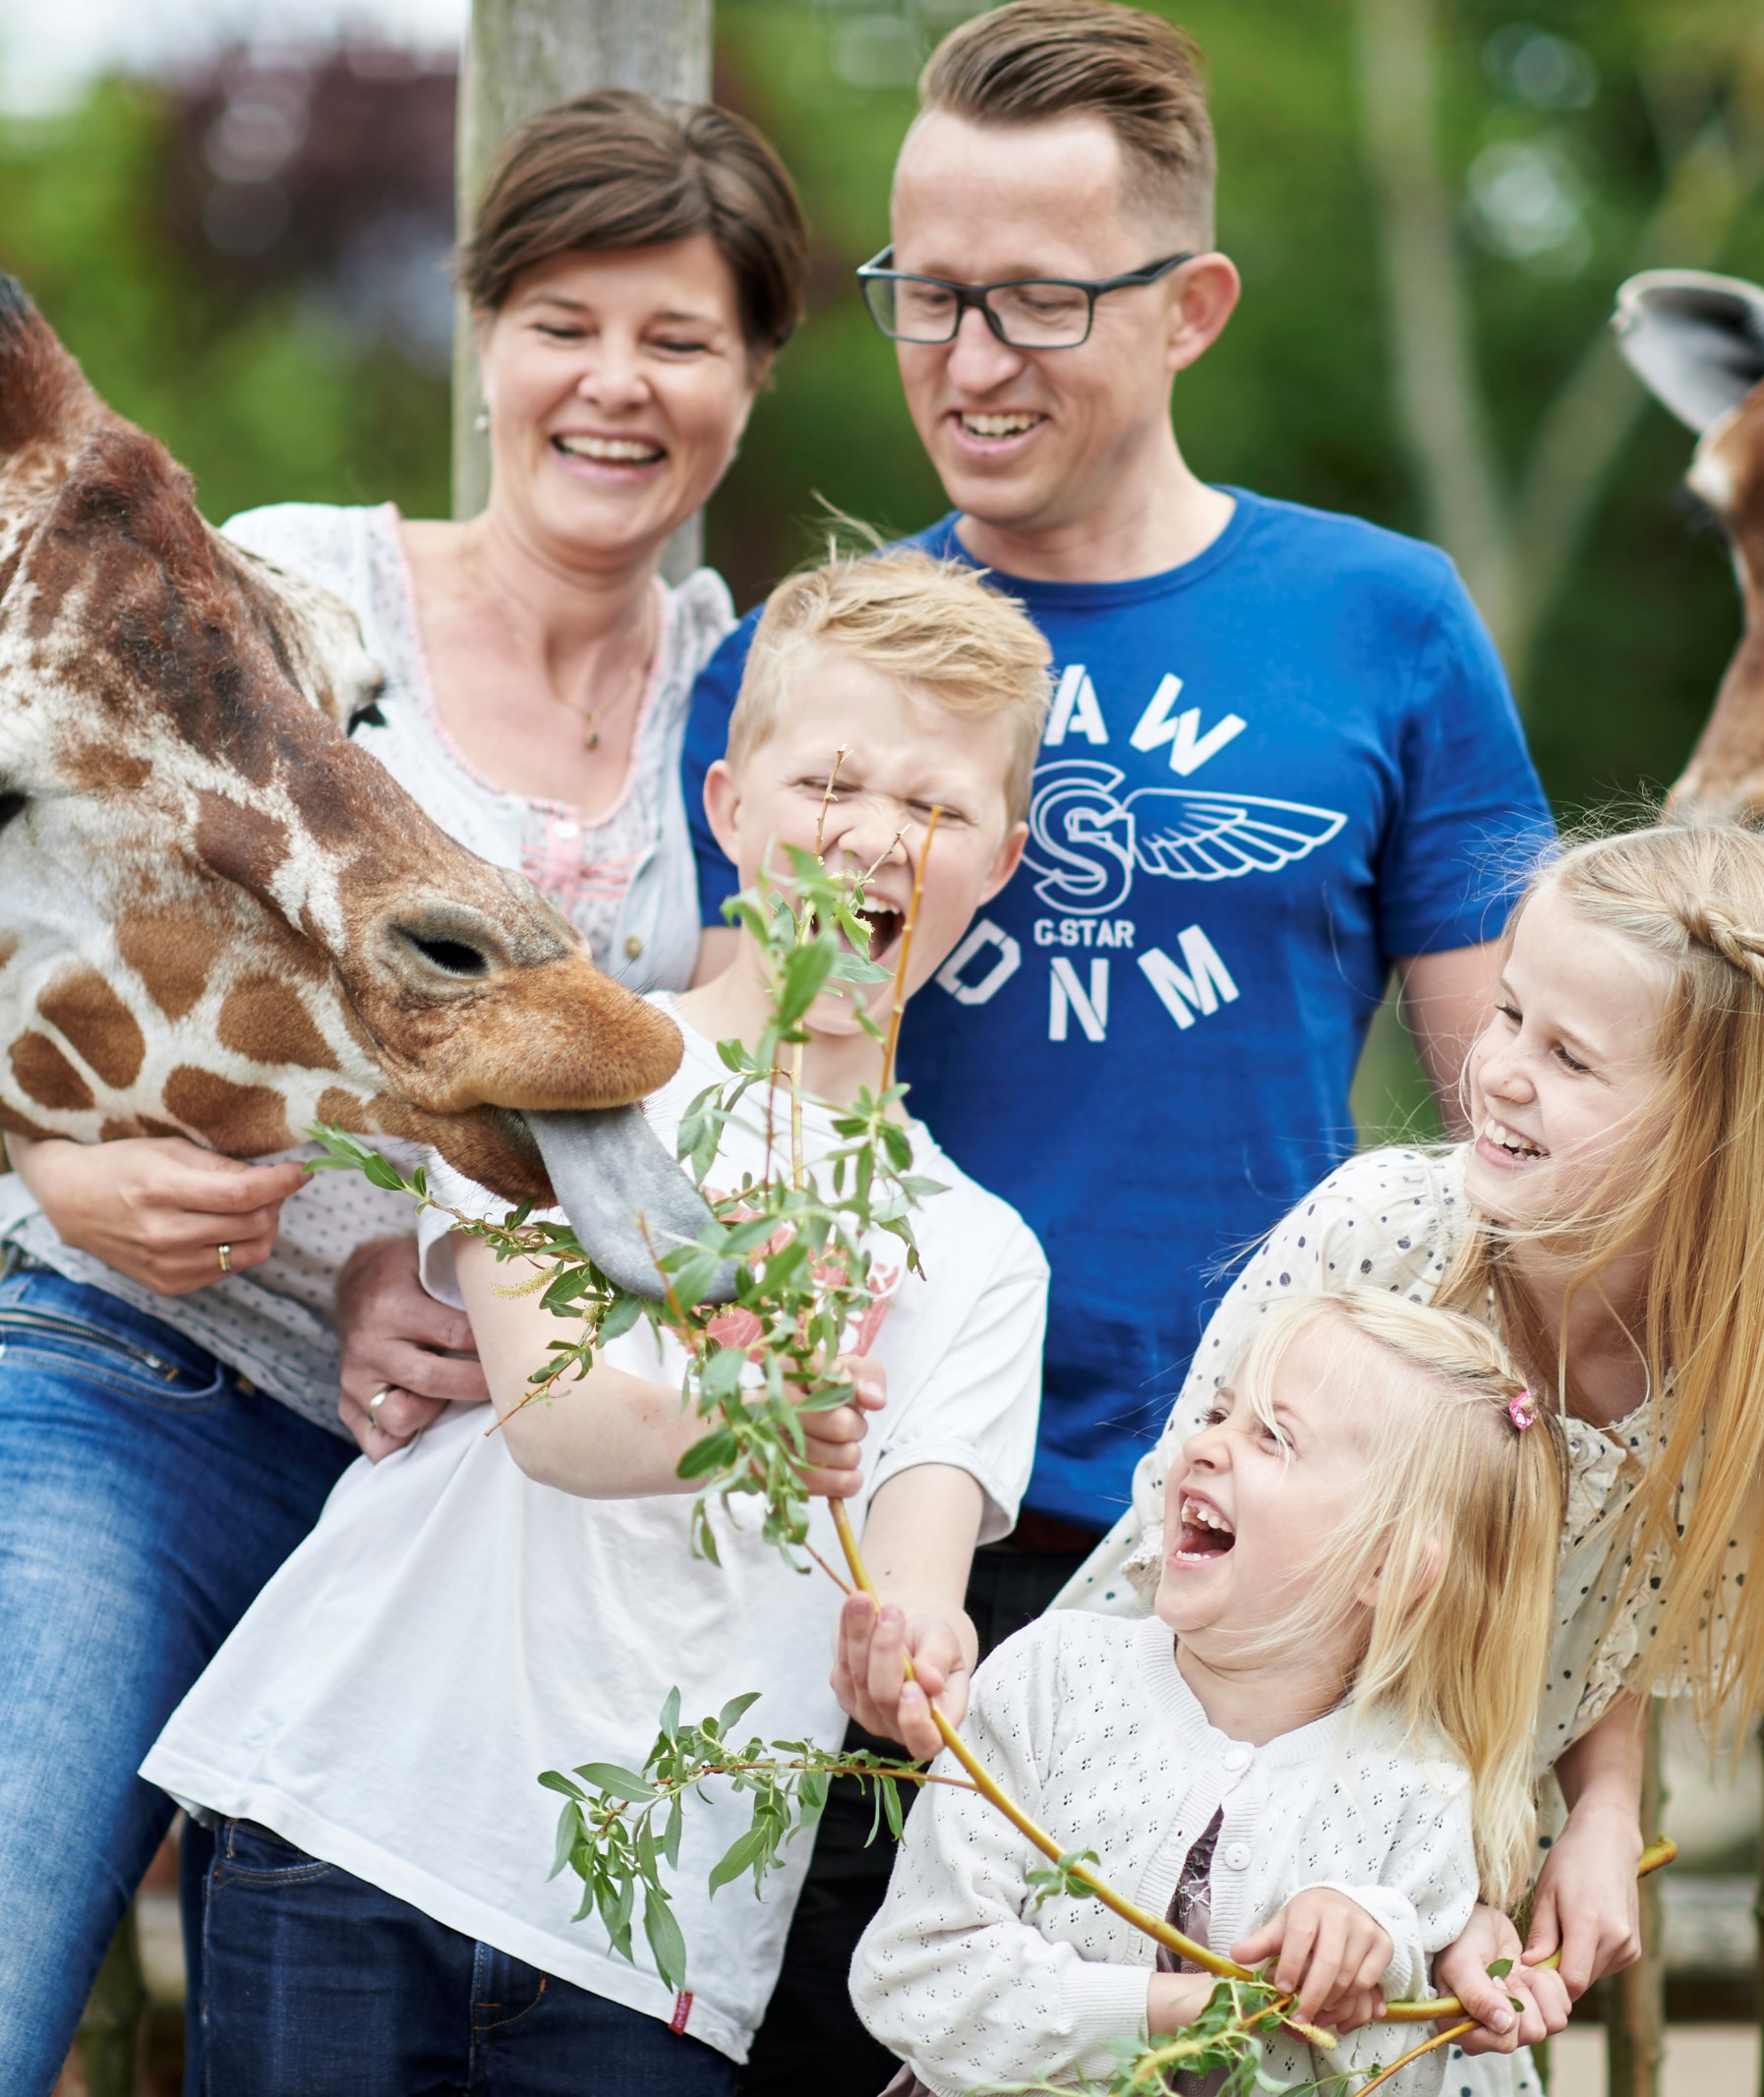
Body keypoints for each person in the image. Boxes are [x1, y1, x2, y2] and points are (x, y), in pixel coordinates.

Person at [0, 92, 808, 2096]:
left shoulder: (760, 703)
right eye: (561, 320)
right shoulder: (277, 589)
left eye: (680, 337)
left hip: (490, 1524)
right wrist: (48, 1181)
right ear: (481, 332)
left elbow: (779, 1068)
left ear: (755, 377)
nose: (614, 383)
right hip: (161, 1399)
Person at [686, 8, 1555, 2075]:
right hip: (874, 1548)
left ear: (1191, 307)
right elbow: (714, 1101)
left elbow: (1526, 1174)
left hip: (1254, 1563)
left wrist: (1559, 1755)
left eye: (1037, 300)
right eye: (920, 293)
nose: (965, 358)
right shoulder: (807, 670)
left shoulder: (1383, 621)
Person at [141, 549, 1057, 2092]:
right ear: (728, 808)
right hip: (356, 1809)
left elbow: (915, 1564)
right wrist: (760, 1417)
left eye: (937, 805)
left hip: (652, 1940)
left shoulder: (978, 1256)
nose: (874, 833)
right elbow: (558, 1421)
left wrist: (908, 1657)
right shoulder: (568, 1067)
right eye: (829, 777)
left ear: (1003, 858)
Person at [1052, 817, 1764, 2086]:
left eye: (1570, 1055)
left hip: (1412, 1958)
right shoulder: (1379, 1243)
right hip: (1153, 1901)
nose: (1500, 1070)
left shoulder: (1746, 1396)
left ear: (1730, 1136)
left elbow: (1621, 1620)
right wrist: (1408, 1890)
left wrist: (1604, 1808)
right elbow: (1176, 1579)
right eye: (1511, 1014)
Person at [853, 1291, 1567, 2096]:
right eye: (1221, 1411)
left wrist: (1374, 1943)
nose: (1207, 1444)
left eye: (1274, 1435)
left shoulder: (1418, 1791)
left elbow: (1391, 2063)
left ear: (1387, 1568)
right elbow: (917, 1976)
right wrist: (1186, 2005)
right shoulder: (1049, 1678)